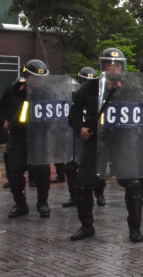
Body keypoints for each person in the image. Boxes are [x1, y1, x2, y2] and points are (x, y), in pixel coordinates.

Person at [68, 48, 143, 242]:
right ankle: (87, 226)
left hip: (123, 143)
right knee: (82, 184)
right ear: (102, 66)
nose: (113, 68)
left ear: (122, 67)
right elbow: (73, 114)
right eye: (109, 64)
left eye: (117, 65)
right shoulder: (89, 88)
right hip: (95, 142)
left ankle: (135, 229)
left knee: (133, 185)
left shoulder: (131, 89)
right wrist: (80, 128)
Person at [0, 60, 53, 218]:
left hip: (39, 137)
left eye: (41, 78)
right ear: (27, 75)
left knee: (42, 172)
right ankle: (21, 204)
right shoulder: (14, 90)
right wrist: (4, 121)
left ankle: (43, 204)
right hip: (18, 137)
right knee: (14, 172)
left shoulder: (47, 92)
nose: (38, 81)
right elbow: (1, 107)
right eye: (35, 77)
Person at [61, 68, 100, 208]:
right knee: (71, 166)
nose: (86, 84)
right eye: (84, 81)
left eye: (89, 81)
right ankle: (74, 196)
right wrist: (79, 128)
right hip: (76, 135)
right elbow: (72, 115)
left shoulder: (101, 94)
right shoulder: (74, 95)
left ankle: (99, 193)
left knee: (96, 167)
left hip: (93, 136)